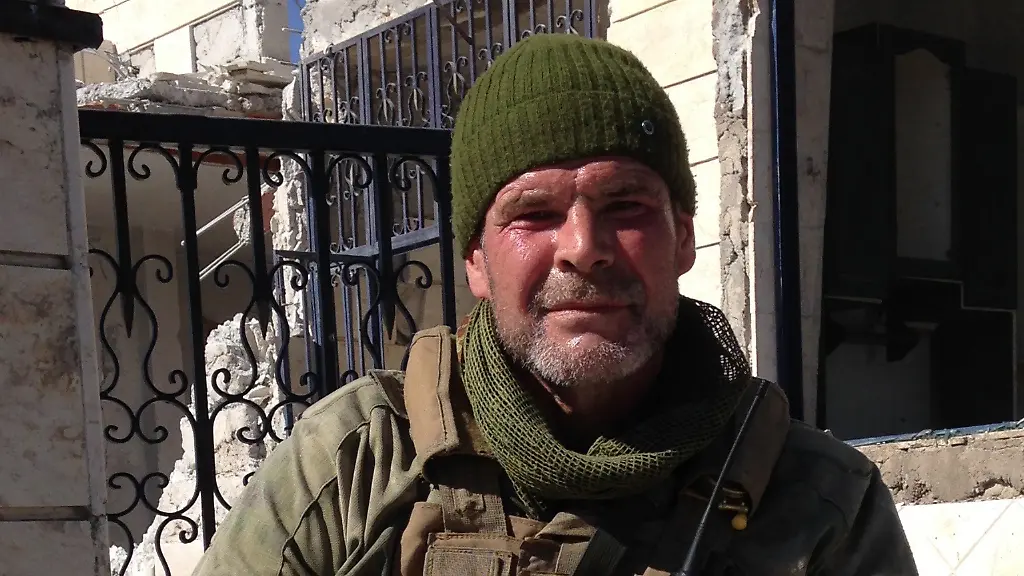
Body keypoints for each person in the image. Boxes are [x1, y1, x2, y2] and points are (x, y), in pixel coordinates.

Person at [191, 34, 918, 576]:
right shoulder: (354, 465)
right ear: (477, 260)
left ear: (684, 238)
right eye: (533, 213)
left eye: (626, 205)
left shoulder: (822, 503)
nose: (583, 247)